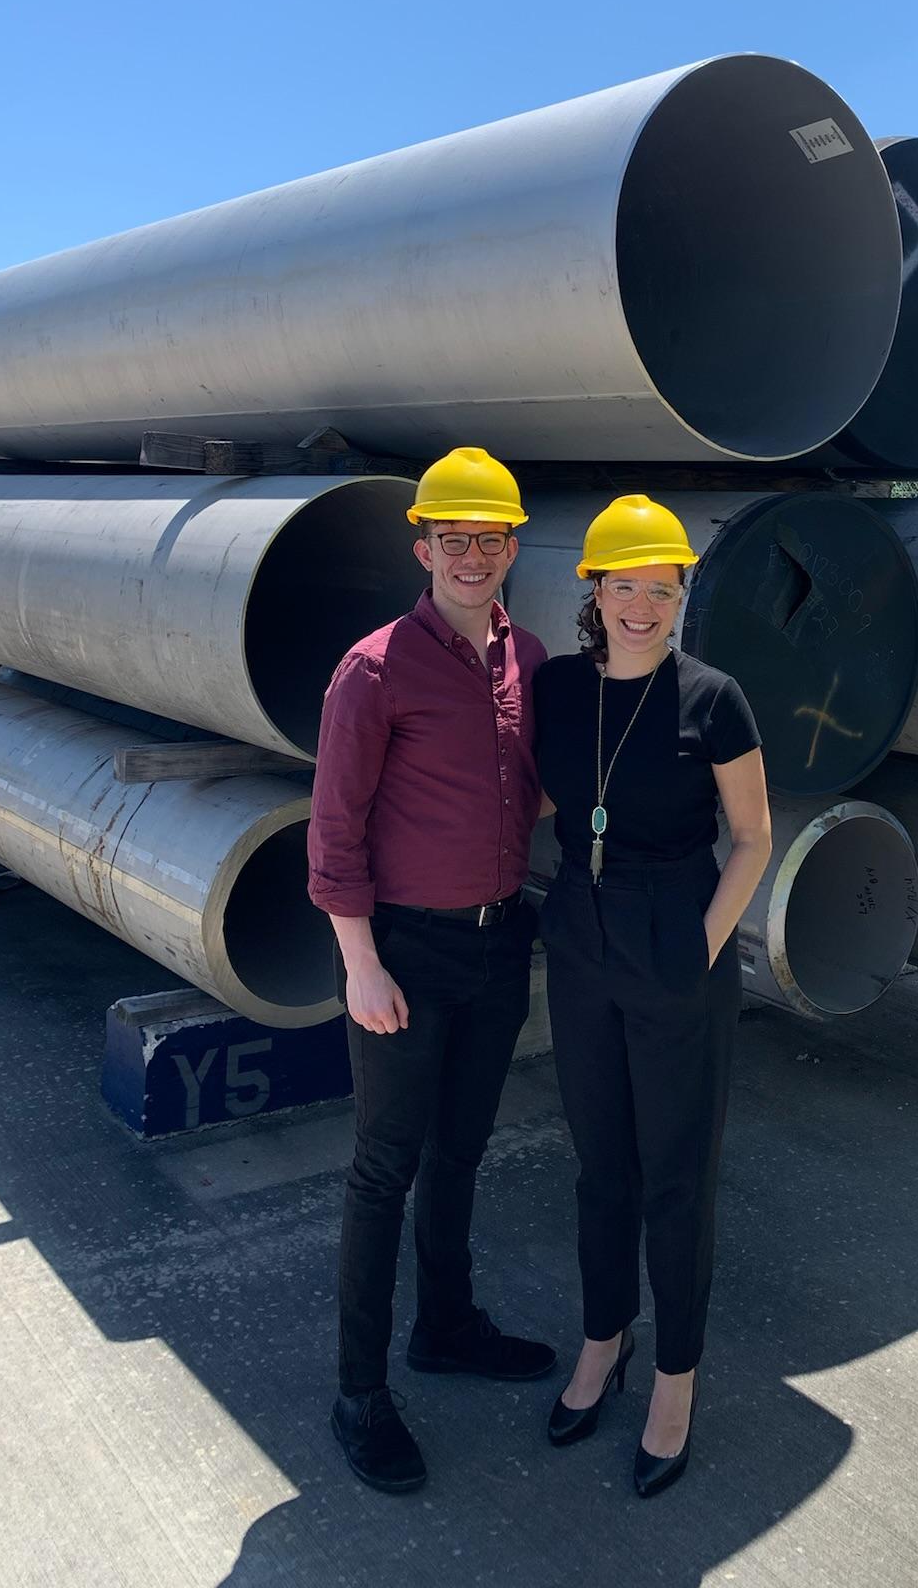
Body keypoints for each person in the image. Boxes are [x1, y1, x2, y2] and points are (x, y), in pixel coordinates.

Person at [308, 446, 557, 1496]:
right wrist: (360, 962)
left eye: (489, 538)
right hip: (403, 950)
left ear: (511, 547)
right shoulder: (374, 668)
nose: (472, 555)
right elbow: (334, 829)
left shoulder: (530, 657)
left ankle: (445, 1324)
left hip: (501, 942)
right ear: (423, 547)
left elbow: (535, 786)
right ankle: (359, 1390)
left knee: (461, 1149)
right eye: (452, 538)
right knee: (385, 1168)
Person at [533, 494, 772, 1498]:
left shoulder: (714, 698)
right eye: (623, 584)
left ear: (682, 594)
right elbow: (547, 795)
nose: (641, 604)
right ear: (592, 588)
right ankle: (603, 1340)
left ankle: (675, 1377)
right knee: (601, 1165)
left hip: (676, 936)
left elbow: (754, 836)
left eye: (660, 588)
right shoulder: (553, 689)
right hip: (581, 934)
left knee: (676, 1176)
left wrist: (700, 947)